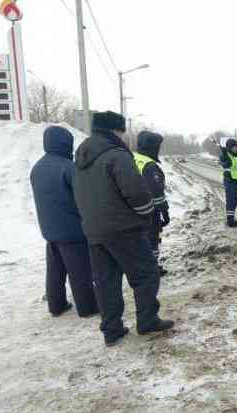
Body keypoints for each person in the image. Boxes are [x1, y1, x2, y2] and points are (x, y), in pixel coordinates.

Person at [73, 111, 173, 347]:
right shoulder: (116, 155)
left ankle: (112, 329)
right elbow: (136, 193)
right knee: (147, 273)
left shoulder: (81, 156)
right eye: (122, 131)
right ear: (115, 131)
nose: (125, 136)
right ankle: (148, 320)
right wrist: (147, 214)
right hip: (124, 228)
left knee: (106, 281)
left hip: (94, 230)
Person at [30, 126, 99, 318]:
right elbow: (82, 198)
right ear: (65, 143)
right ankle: (88, 307)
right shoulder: (68, 167)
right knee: (80, 272)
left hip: (49, 229)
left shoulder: (37, 168)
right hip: (72, 230)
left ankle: (57, 305)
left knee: (55, 271)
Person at [133, 131, 170, 277]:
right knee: (152, 238)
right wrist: (165, 212)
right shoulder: (149, 165)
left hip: (134, 209)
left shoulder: (134, 158)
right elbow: (157, 194)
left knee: (142, 240)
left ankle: (144, 265)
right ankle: (152, 268)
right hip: (149, 211)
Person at [220, 138, 237, 228]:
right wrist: (226, 161)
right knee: (230, 200)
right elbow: (223, 163)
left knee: (235, 200)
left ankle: (232, 218)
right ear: (229, 147)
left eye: (236, 146)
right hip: (228, 180)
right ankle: (230, 221)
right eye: (234, 147)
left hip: (235, 180)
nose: (236, 148)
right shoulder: (225, 155)